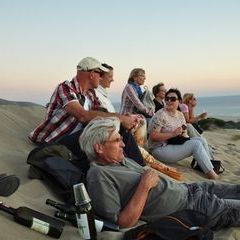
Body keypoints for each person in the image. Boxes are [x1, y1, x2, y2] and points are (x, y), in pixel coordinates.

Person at [80, 116, 240, 230]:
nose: (123, 144)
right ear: (99, 148)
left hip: (190, 189)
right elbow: (121, 222)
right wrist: (144, 186)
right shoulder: (99, 175)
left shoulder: (119, 159)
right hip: (191, 208)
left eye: (121, 139)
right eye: (116, 140)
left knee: (235, 189)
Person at [28, 57, 145, 165]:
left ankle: (134, 168)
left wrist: (124, 117)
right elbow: (82, 116)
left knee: (117, 128)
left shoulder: (90, 93)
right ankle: (137, 168)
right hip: (56, 143)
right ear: (92, 74)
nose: (101, 78)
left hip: (79, 139)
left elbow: (102, 113)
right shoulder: (65, 88)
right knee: (113, 128)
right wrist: (120, 118)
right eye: (100, 74)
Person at [148, 88, 218, 179]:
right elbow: (153, 136)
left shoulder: (180, 115)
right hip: (159, 149)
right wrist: (173, 134)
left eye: (172, 99)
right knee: (196, 144)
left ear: (179, 101)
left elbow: (184, 131)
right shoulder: (161, 114)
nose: (169, 101)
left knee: (201, 140)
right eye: (167, 99)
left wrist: (183, 133)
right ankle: (212, 175)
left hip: (174, 144)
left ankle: (209, 165)